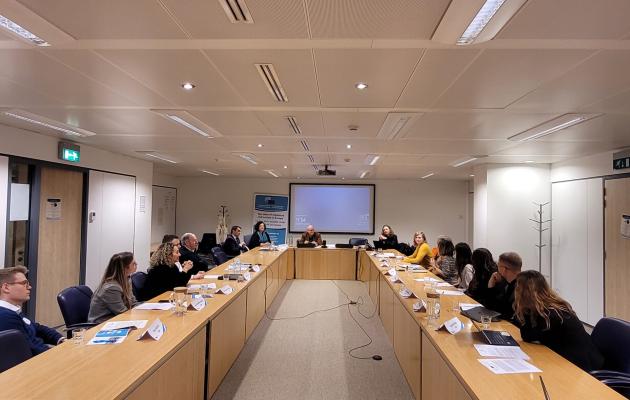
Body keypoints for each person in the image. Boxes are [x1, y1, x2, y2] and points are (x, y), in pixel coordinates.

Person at [514, 270, 604, 372]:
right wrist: (526, 309)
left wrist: (523, 308)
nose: (516, 290)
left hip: (582, 367)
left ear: (526, 292)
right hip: (569, 358)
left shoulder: (551, 315)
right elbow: (527, 335)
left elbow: (528, 335)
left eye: (518, 287)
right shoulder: (544, 309)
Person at [0, 266, 64, 355]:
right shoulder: (5, 316)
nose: (29, 287)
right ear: (6, 287)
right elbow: (32, 349)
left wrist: (60, 339)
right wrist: (62, 353)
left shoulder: (14, 310)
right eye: (24, 283)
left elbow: (38, 328)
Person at [88, 252, 140, 324]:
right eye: (133, 263)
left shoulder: (127, 280)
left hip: (114, 320)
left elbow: (133, 303)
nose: (136, 264)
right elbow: (123, 313)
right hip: (99, 325)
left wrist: (148, 309)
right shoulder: (111, 288)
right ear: (125, 268)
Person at [486, 251, 522, 320]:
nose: (497, 268)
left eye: (498, 266)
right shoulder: (507, 283)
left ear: (504, 269)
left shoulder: (519, 289)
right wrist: (491, 285)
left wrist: (491, 287)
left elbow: (499, 311)